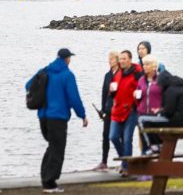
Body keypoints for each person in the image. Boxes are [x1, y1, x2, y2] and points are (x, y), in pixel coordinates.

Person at [26, 48, 88, 193]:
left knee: (52, 147)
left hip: (43, 116)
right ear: (67, 59)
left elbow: (28, 85)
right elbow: (74, 98)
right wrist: (82, 115)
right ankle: (49, 183)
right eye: (70, 58)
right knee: (57, 149)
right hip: (58, 117)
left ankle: (45, 178)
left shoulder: (44, 71)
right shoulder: (67, 75)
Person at [138, 71, 183, 152]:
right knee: (153, 120)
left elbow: (168, 112)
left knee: (142, 119)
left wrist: (159, 112)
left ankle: (152, 147)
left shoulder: (170, 90)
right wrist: (161, 110)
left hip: (174, 121)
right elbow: (175, 107)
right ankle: (159, 145)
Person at [109, 50, 142, 176]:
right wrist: (111, 92)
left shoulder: (137, 73)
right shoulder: (116, 74)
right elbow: (112, 92)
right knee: (113, 136)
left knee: (127, 139)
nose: (121, 61)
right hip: (117, 111)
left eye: (124, 59)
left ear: (130, 59)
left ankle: (127, 167)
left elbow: (142, 88)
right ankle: (125, 161)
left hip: (131, 111)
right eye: (120, 59)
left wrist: (137, 100)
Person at [93, 50, 119, 172]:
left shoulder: (121, 74)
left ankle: (124, 159)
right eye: (109, 59)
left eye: (112, 59)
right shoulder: (107, 75)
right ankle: (104, 161)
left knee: (120, 135)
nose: (110, 61)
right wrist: (103, 109)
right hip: (108, 110)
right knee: (106, 135)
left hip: (119, 109)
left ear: (118, 60)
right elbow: (104, 93)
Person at [136, 55, 163, 154]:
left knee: (156, 140)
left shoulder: (160, 79)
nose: (144, 67)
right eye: (144, 65)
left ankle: (160, 162)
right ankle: (144, 161)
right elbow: (138, 96)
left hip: (155, 114)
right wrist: (135, 95)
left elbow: (166, 96)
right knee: (144, 141)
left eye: (147, 64)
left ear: (154, 66)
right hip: (142, 113)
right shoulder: (141, 80)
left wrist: (161, 109)